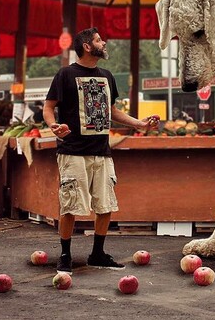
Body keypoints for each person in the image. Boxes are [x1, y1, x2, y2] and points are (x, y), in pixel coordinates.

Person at [43, 28, 159, 274]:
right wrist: (53, 125)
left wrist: (139, 124)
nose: (103, 42)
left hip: (102, 152)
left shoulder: (107, 76)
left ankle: (97, 253)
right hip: (72, 151)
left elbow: (112, 111)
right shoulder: (65, 74)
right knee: (70, 205)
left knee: (106, 206)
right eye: (98, 40)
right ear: (87, 46)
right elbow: (48, 107)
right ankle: (65, 254)